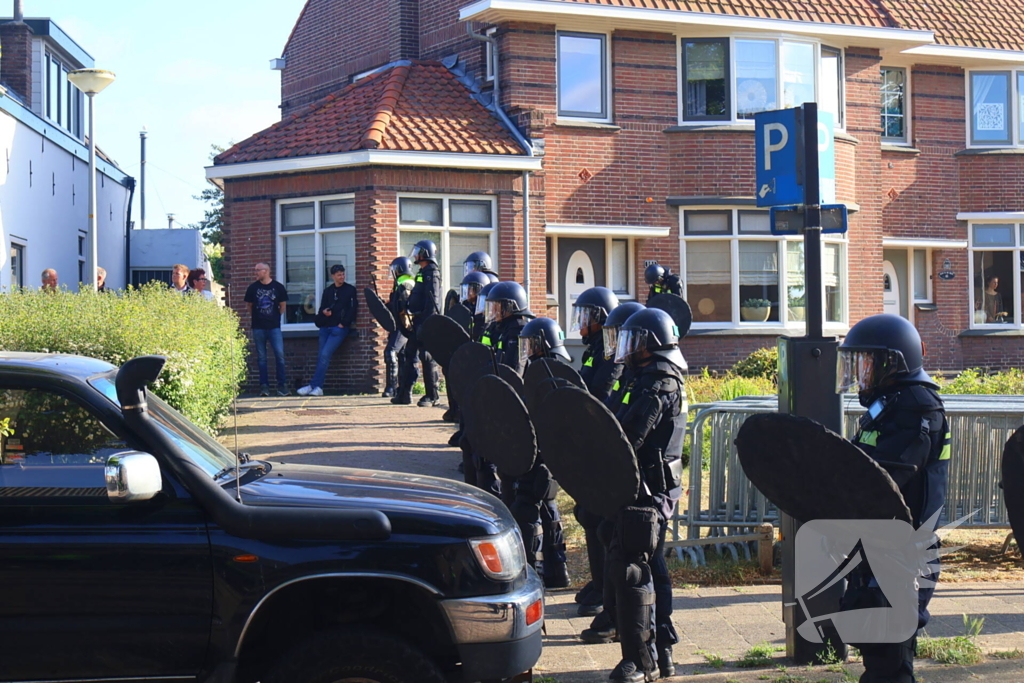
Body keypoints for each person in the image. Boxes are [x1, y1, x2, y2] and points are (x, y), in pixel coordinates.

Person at [836, 314, 950, 683]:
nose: (862, 371)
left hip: (905, 550)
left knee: (891, 660)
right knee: (875, 651)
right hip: (879, 544)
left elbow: (889, 475)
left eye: (869, 362)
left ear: (894, 363)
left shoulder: (917, 406)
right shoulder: (891, 402)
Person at [596, 307, 687, 682]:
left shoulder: (659, 383)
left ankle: (639, 662)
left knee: (631, 568)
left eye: (634, 341)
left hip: (648, 492)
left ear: (651, 344)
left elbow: (630, 437)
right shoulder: (641, 377)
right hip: (639, 488)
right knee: (650, 566)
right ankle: (661, 650)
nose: (627, 348)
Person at [574, 300, 646, 619]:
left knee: (618, 537)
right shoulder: (601, 355)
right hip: (602, 453)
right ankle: (603, 588)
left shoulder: (635, 373)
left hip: (635, 475)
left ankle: (618, 608)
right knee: (591, 516)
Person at [513, 316, 571, 589]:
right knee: (549, 509)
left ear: (543, 344)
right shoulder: (546, 367)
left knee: (526, 508)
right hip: (547, 453)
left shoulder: (549, 371)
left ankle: (529, 570)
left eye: (532, 343)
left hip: (543, 452)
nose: (528, 349)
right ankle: (557, 572)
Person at [394, 240, 442, 407]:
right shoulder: (422, 272)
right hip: (417, 320)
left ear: (426, 253)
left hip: (426, 321)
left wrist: (427, 323)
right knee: (410, 354)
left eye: (418, 251)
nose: (415, 254)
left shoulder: (432, 273)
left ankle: (432, 395)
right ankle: (404, 393)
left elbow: (433, 300)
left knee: (427, 357)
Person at [298, 264, 358, 397]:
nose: (341, 277)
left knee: (325, 355)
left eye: (343, 274)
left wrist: (344, 324)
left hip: (339, 328)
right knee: (321, 356)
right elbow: (322, 308)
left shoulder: (350, 290)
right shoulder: (328, 291)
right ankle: (314, 385)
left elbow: (352, 309)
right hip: (326, 327)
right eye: (338, 275)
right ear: (333, 276)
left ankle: (317, 386)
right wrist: (324, 313)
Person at [244, 262, 290, 397]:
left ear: (266, 271)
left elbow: (282, 306)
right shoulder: (252, 288)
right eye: (255, 270)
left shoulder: (278, 287)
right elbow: (250, 306)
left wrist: (275, 318)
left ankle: (282, 386)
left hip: (274, 327)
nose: (256, 273)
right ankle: (264, 387)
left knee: (279, 355)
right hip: (258, 327)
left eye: (258, 270)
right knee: (262, 358)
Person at [571, 286, 620, 400]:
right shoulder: (596, 346)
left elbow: (601, 393)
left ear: (599, 317)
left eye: (584, 316)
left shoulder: (610, 351)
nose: (579, 321)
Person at [483, 281, 534, 373]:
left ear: (509, 306)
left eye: (496, 305)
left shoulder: (518, 331)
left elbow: (516, 369)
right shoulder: (500, 327)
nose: (493, 310)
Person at [383, 257, 415, 398]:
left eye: (395, 269)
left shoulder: (406, 283)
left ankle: (391, 387)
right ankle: (401, 388)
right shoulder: (399, 283)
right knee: (401, 356)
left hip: (404, 324)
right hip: (399, 323)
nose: (393, 272)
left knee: (391, 352)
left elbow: (404, 306)